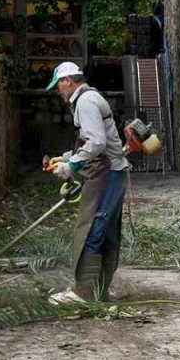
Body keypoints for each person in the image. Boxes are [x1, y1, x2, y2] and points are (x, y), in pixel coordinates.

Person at [45, 61, 131, 303]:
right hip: (113, 172)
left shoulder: (85, 101)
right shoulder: (90, 98)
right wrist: (64, 158)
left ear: (67, 81)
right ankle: (100, 290)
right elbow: (92, 143)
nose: (58, 91)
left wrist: (72, 166)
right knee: (108, 232)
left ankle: (83, 293)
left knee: (92, 229)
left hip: (107, 174)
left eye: (58, 85)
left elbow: (97, 142)